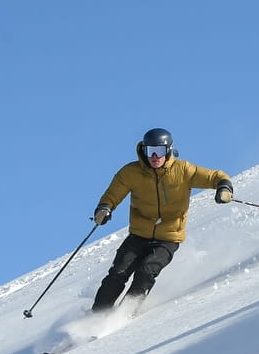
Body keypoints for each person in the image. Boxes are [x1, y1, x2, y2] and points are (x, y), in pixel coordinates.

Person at [90, 127, 234, 313]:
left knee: (146, 271)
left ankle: (124, 314)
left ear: (168, 151)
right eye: (150, 151)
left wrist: (224, 188)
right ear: (143, 150)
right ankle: (96, 316)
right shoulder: (131, 173)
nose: (155, 157)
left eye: (159, 151)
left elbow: (216, 177)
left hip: (168, 237)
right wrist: (105, 208)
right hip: (138, 236)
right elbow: (112, 195)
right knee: (118, 273)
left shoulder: (183, 170)